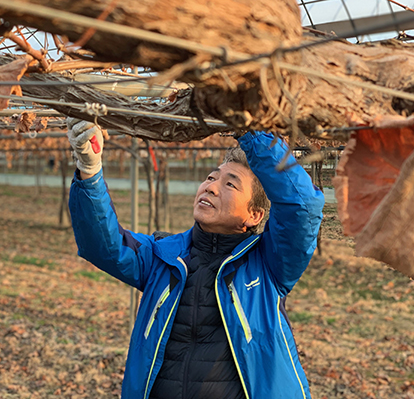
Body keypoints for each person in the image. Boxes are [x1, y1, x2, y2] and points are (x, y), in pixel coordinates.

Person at [67, 120, 324, 399]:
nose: (211, 187)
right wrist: (89, 171)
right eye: (212, 178)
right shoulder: (163, 256)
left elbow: (302, 206)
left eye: (230, 184)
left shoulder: (269, 265)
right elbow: (104, 246)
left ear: (254, 215)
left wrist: (247, 129)